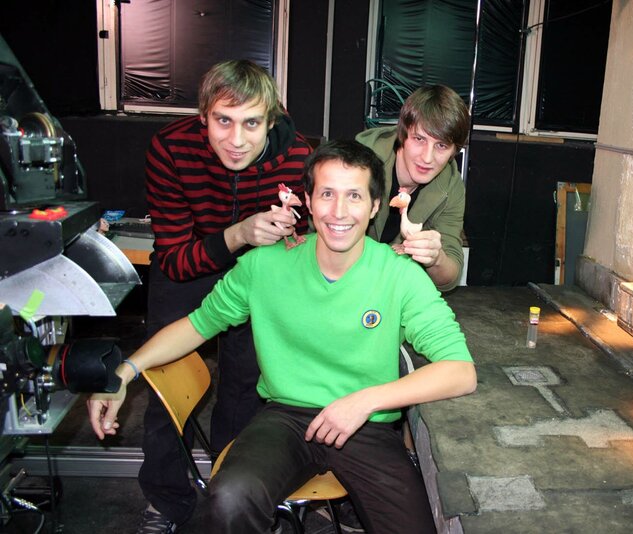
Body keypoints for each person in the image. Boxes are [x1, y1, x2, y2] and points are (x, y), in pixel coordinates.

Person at [88, 139, 477, 533]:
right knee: (230, 498)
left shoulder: (400, 274)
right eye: (327, 194)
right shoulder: (263, 266)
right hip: (285, 419)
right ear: (308, 200)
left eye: (354, 196)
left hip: (367, 423)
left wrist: (365, 401)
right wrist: (124, 371)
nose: (339, 211)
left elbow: (460, 371)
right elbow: (197, 325)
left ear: (375, 206)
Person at [136, 59, 311, 533]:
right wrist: (238, 234)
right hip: (190, 263)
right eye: (223, 121)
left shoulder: (297, 156)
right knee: (164, 386)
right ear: (203, 117)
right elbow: (174, 260)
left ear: (271, 120)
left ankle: (231, 496)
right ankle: (166, 500)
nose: (236, 140)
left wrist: (292, 239)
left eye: (251, 123)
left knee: (245, 389)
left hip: (256, 275)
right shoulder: (171, 148)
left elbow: (305, 245)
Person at [356, 84, 470, 293]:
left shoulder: (451, 187)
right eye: (419, 139)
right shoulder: (358, 163)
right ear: (403, 134)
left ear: (455, 151)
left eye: (441, 145)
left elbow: (450, 277)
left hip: (392, 291)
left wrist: (436, 258)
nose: (427, 158)